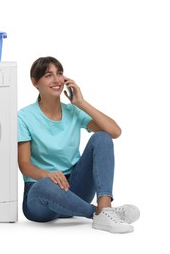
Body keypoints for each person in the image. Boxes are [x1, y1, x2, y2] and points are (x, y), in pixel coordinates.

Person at [18, 56, 140, 233]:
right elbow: (24, 165)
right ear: (35, 82)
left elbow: (114, 132)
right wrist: (48, 175)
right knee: (43, 186)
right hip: (41, 197)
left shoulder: (73, 111)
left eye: (59, 73)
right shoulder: (24, 116)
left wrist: (81, 103)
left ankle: (105, 206)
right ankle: (99, 213)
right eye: (48, 75)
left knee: (102, 137)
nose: (56, 79)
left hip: (74, 190)